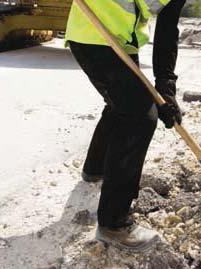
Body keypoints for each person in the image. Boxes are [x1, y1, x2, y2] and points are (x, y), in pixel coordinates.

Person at [65, 0, 186, 251]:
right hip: (92, 33)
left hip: (120, 40)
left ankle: (94, 168)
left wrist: (165, 89)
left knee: (122, 104)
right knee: (139, 117)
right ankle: (113, 222)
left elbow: (167, 28)